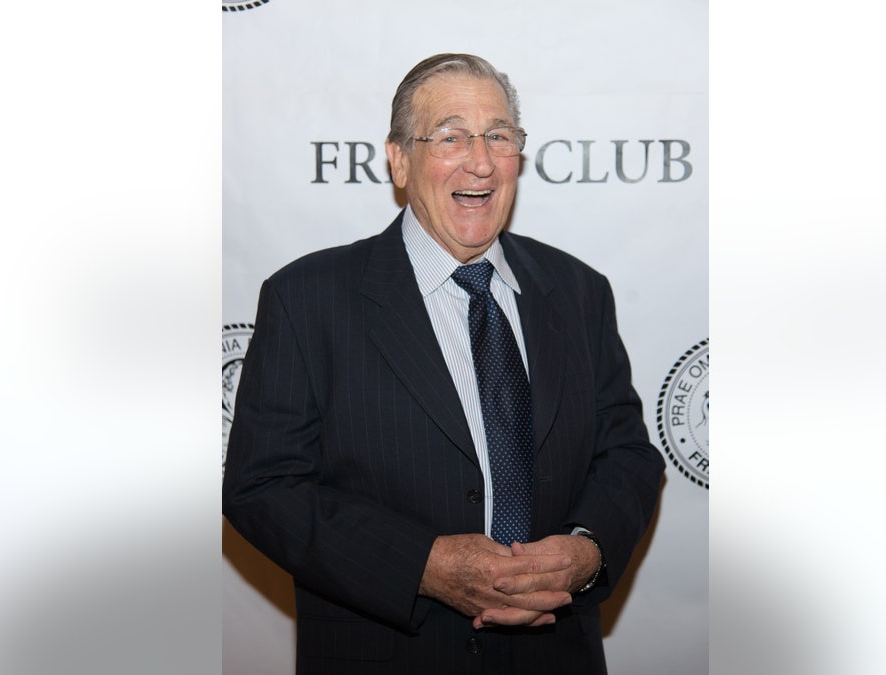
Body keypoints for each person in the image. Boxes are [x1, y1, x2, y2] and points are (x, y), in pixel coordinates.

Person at [223, 53, 665, 675]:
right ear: (400, 160)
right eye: (451, 136)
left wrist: (587, 551)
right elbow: (262, 489)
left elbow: (627, 456)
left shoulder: (579, 290)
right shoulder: (307, 298)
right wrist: (423, 567)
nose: (480, 160)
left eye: (499, 136)